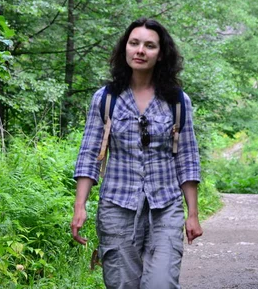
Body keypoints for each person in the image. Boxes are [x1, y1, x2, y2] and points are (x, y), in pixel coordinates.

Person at [70, 18, 203, 289]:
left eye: (149, 45)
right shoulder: (106, 98)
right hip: (117, 207)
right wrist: (79, 206)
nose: (140, 50)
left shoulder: (177, 101)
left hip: (165, 206)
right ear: (125, 49)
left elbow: (187, 158)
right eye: (134, 43)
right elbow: (89, 154)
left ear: (161, 53)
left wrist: (193, 213)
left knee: (161, 283)